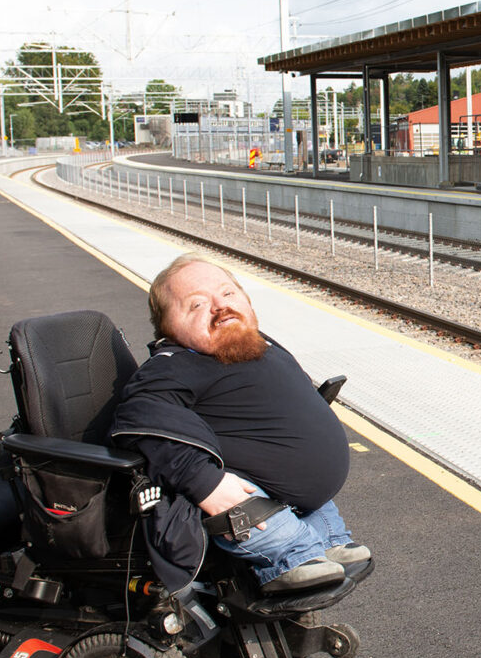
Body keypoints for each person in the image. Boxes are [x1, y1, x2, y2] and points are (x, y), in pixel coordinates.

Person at [111, 254, 369, 596]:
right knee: (246, 497)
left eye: (228, 294)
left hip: (298, 495)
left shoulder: (256, 344)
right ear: (167, 327)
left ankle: (326, 541)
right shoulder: (172, 366)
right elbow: (140, 419)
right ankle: (291, 556)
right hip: (247, 500)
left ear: (246, 299)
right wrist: (205, 484)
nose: (220, 308)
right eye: (197, 304)